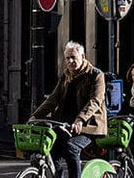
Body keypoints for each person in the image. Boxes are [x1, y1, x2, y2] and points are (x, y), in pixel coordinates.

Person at [31, 42, 107, 178]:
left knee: (71, 148)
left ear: (83, 56)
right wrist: (36, 116)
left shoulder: (96, 74)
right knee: (50, 150)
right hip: (65, 124)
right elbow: (53, 99)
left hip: (88, 125)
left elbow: (95, 101)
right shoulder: (65, 76)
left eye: (73, 57)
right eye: (67, 58)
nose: (70, 61)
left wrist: (80, 119)